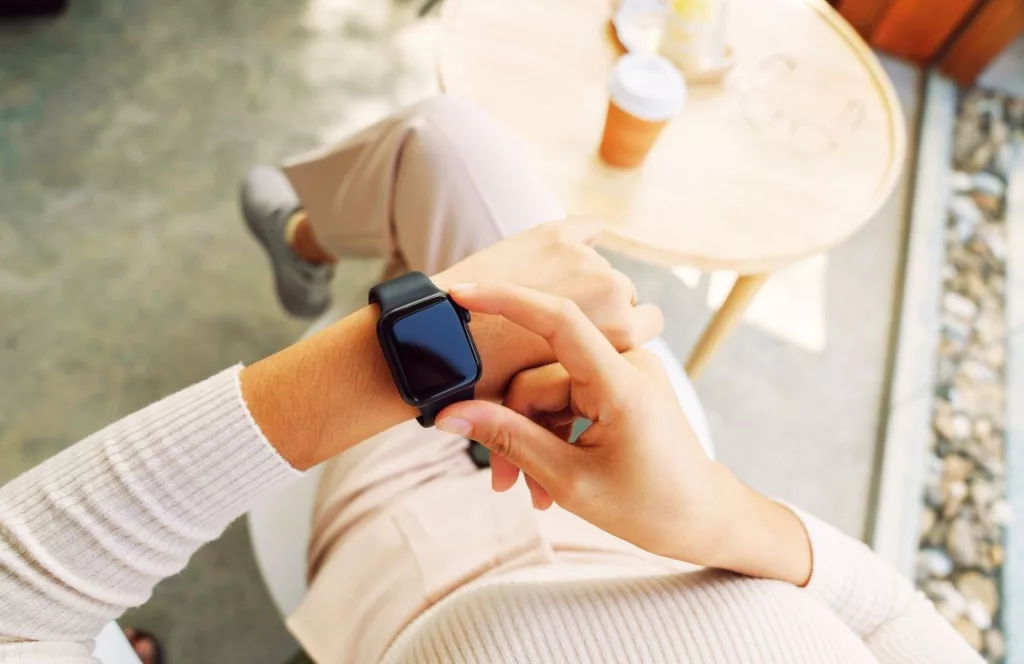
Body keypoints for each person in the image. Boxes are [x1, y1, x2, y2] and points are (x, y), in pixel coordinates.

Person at [0, 97, 980, 663]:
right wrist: (714, 516)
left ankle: (346, 272)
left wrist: (396, 353)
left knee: (441, 263)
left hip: (424, 556)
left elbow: (14, 605)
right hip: (667, 507)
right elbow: (892, 613)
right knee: (445, 143)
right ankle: (305, 243)